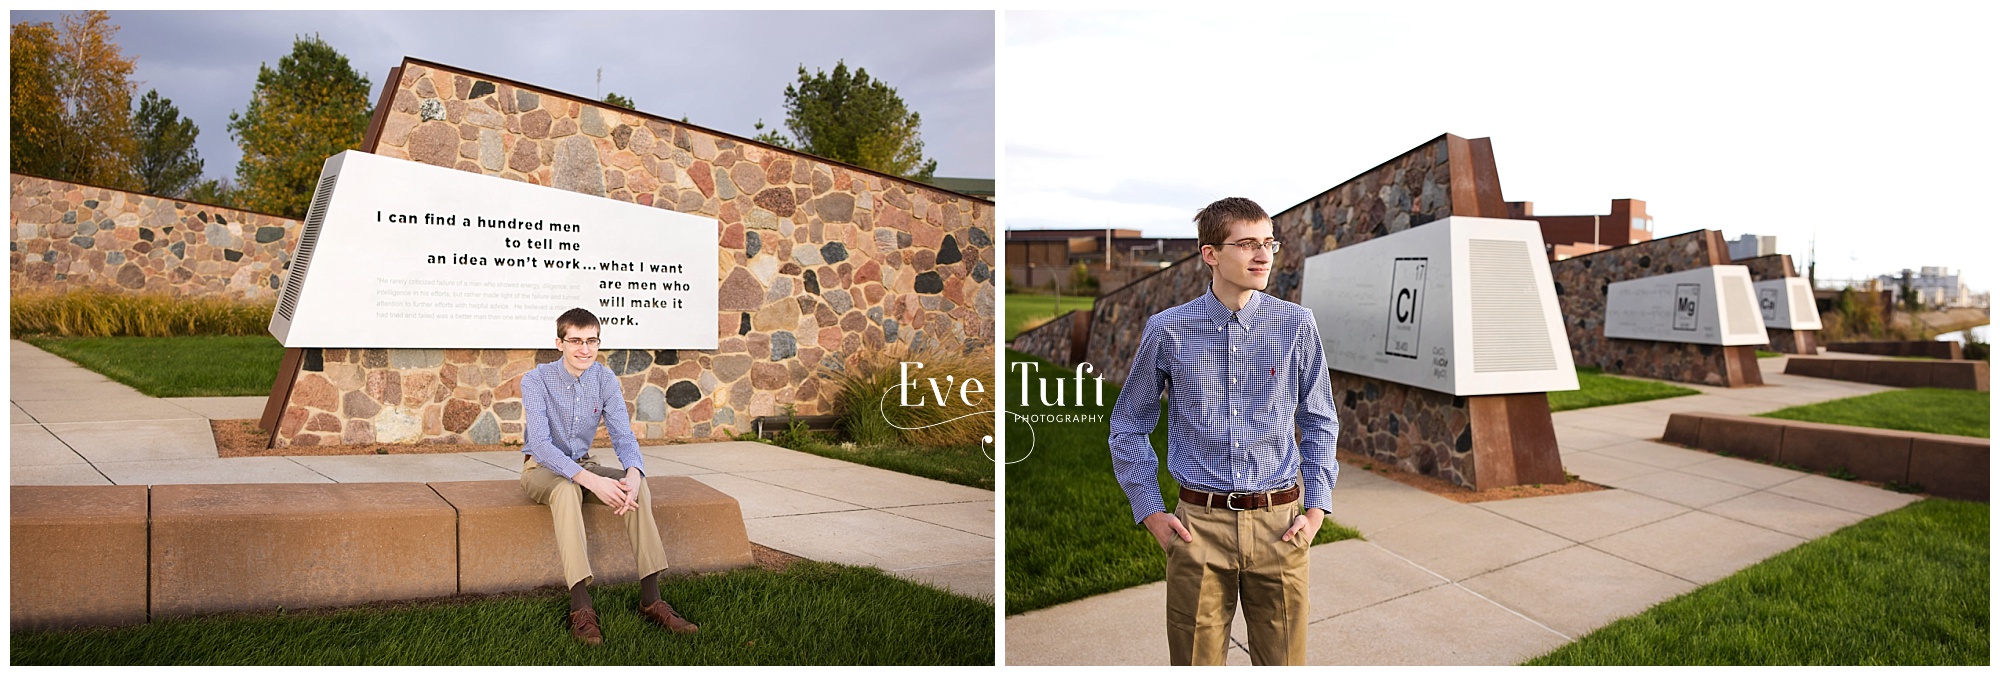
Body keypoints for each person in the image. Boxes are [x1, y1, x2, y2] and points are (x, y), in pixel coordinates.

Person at [1106, 197, 1340, 665]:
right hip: (1199, 528)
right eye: (1247, 243)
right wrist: (1151, 511)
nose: (1263, 255)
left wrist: (1315, 509)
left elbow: (1319, 419)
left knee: (1284, 663)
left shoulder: (1296, 325)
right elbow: (1128, 423)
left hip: (1281, 526)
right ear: (1210, 253)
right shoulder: (1167, 330)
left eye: (1269, 242)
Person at [521, 307, 698, 645]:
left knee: (637, 485)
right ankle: (580, 606)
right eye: (575, 340)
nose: (584, 349)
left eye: (591, 341)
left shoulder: (605, 379)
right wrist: (591, 481)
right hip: (540, 470)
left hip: (585, 465)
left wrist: (632, 472)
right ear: (559, 343)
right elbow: (541, 445)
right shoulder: (536, 380)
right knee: (566, 491)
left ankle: (651, 598)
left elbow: (623, 436)